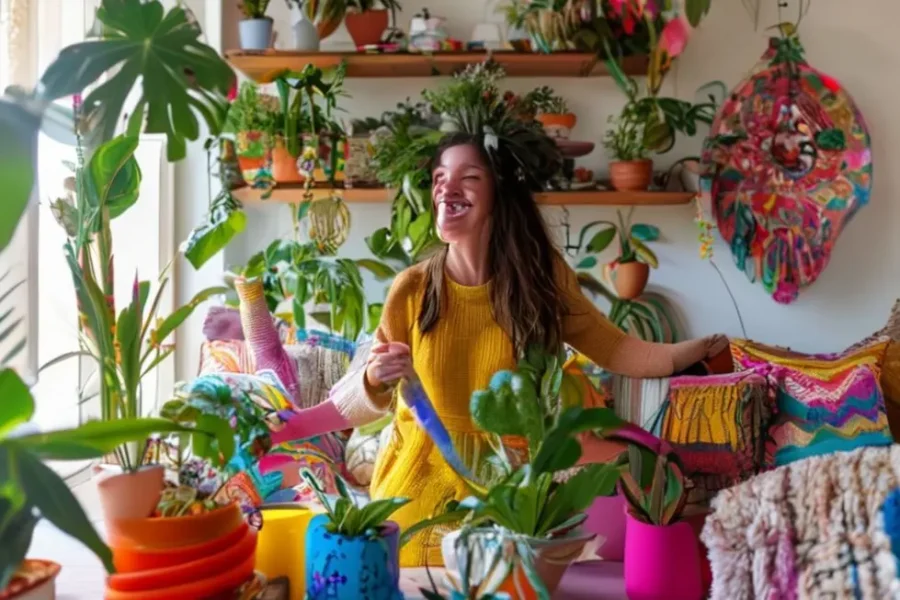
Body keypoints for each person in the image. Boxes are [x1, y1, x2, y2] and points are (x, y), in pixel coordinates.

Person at [262, 132, 728, 567]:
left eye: (468, 177)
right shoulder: (412, 289)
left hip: (505, 498)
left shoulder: (540, 282)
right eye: (440, 178)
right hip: (412, 492)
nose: (447, 188)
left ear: (498, 196)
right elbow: (361, 400)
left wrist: (696, 350)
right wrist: (300, 421)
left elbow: (617, 348)